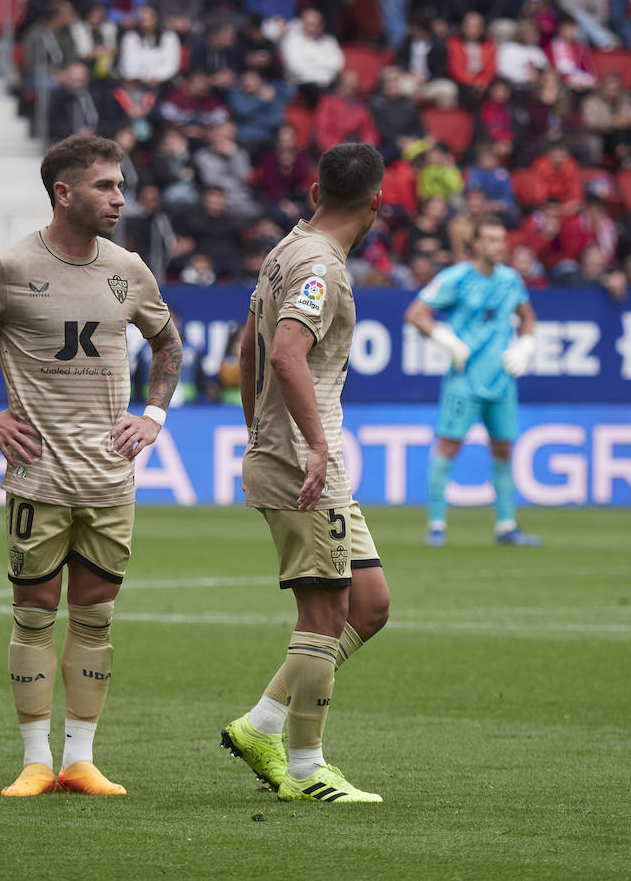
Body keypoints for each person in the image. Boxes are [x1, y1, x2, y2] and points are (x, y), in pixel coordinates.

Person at [0, 135, 182, 798]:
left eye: (121, 185)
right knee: (35, 615)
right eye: (105, 186)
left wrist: (154, 416)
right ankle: (36, 761)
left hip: (108, 479)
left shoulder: (129, 267)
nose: (119, 198)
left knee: (95, 619)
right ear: (63, 193)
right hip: (38, 477)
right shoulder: (7, 267)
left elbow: (168, 342)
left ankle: (81, 761)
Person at [219, 141, 389, 805]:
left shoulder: (287, 249)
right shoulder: (322, 266)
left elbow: (246, 347)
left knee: (368, 605)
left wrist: (257, 430)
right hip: (305, 462)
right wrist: (308, 446)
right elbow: (287, 353)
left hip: (299, 455)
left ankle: (260, 724)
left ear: (316, 192)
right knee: (324, 612)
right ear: (376, 201)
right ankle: (306, 766)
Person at [405, 217, 539, 547]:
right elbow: (416, 313)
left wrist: (525, 346)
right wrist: (445, 340)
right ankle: (437, 525)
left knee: (504, 450)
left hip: (502, 380)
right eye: (492, 240)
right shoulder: (457, 277)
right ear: (476, 244)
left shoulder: (511, 280)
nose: (499, 246)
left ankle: (506, 526)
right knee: (449, 446)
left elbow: (528, 319)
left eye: (502, 240)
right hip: (464, 380)